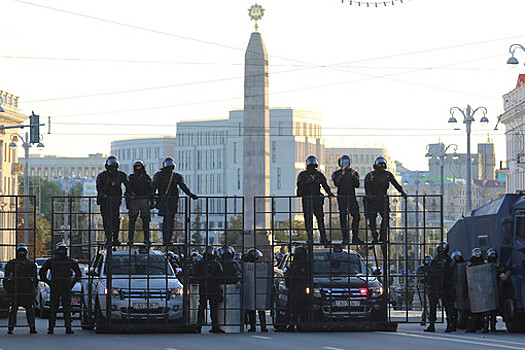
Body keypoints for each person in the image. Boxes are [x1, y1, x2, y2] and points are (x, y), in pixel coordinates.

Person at [152, 157, 198, 246]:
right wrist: (152, 198)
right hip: (164, 201)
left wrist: (190, 194)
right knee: (167, 221)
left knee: (170, 221)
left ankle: (168, 240)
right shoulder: (160, 175)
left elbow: (182, 186)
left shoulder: (175, 176)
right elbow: (154, 187)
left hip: (172, 201)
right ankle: (166, 240)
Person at [40, 242, 82, 335]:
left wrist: (71, 284)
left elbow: (78, 274)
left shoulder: (68, 261)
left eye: (63, 250)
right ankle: (53, 328)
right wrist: (49, 282)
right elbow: (42, 272)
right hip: (58, 286)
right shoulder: (53, 261)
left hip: (63, 286)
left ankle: (64, 328)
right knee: (56, 309)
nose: (62, 252)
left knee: (64, 309)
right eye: (61, 250)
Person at [364, 156, 407, 243]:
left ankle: (383, 236)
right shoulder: (370, 175)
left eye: (383, 164)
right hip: (372, 200)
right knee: (372, 218)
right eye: (380, 164)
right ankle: (374, 235)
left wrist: (402, 192)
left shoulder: (387, 175)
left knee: (386, 217)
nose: (381, 166)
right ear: (376, 165)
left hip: (382, 199)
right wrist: (369, 196)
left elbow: (396, 184)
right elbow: (367, 187)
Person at [296, 155, 334, 245]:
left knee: (319, 218)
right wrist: (308, 181)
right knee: (309, 219)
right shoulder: (303, 174)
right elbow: (299, 185)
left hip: (316, 199)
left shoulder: (319, 174)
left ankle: (323, 238)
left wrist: (329, 192)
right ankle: (311, 238)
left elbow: (325, 185)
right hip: (307, 199)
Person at [96, 155, 131, 245]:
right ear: (107, 165)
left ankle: (115, 239)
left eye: (114, 165)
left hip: (116, 201)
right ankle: (108, 238)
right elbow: (99, 186)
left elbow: (128, 184)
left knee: (116, 220)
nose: (113, 167)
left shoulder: (120, 175)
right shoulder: (102, 175)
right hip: (105, 202)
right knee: (106, 220)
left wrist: (129, 193)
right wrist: (101, 193)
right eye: (111, 165)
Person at [3, 244, 38, 334]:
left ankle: (32, 327)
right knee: (14, 309)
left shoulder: (30, 264)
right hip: (16, 289)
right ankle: (10, 328)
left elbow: (35, 278)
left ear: (25, 252)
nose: (21, 253)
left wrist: (34, 288)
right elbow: (6, 278)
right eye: (20, 251)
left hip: (26, 289)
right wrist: (7, 288)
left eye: (23, 251)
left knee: (29, 310)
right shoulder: (11, 263)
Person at [424, 242, 455, 333]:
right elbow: (429, 272)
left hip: (446, 286)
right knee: (432, 306)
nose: (441, 250)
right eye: (440, 249)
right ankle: (431, 324)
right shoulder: (434, 260)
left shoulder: (449, 260)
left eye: (443, 249)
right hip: (435, 286)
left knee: (448, 307)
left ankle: (450, 324)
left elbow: (451, 273)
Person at [331, 154, 362, 244]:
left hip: (352, 197)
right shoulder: (336, 173)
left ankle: (355, 237)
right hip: (342, 197)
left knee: (356, 216)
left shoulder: (353, 172)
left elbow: (357, 185)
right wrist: (342, 174)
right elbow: (336, 183)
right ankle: (345, 238)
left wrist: (353, 176)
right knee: (343, 217)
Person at [194, 246, 224, 333]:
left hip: (211, 286)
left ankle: (207, 326)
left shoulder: (213, 263)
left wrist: (212, 278)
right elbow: (196, 274)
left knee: (208, 307)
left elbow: (220, 275)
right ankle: (202, 325)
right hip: (206, 286)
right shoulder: (203, 263)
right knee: (206, 307)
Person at [127, 159, 153, 245]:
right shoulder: (131, 178)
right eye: (137, 167)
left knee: (146, 220)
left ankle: (146, 239)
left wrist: (152, 201)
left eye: (140, 167)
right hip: (134, 200)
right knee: (132, 220)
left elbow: (151, 190)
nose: (138, 168)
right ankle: (130, 239)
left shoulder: (147, 178)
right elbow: (128, 190)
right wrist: (129, 200)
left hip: (144, 200)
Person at [285, 246, 310, 332]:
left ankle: (297, 324)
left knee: (297, 308)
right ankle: (295, 324)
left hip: (300, 289)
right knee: (295, 308)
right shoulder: (299, 264)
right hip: (297, 289)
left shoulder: (304, 265)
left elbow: (290, 276)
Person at [243, 248, 267, 332]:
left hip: (258, 288)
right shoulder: (247, 266)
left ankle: (260, 326)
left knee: (259, 308)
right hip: (253, 289)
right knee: (253, 309)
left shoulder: (261, 266)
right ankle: (258, 326)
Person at [465, 247, 489, 333]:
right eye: (476, 254)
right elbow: (467, 276)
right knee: (472, 310)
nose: (477, 256)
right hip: (473, 289)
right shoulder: (470, 265)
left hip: (483, 289)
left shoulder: (484, 264)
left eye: (479, 254)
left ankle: (485, 326)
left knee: (485, 310)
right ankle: (472, 326)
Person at [486, 248, 509, 332]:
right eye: (491, 255)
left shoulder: (498, 265)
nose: (493, 256)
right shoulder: (485, 264)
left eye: (494, 255)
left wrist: (503, 275)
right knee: (486, 309)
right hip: (486, 289)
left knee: (494, 309)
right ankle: (485, 327)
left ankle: (492, 327)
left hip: (496, 288)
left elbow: (504, 271)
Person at [451, 250, 468, 330]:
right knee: (453, 309)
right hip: (453, 288)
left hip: (463, 288)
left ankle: (463, 323)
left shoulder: (464, 265)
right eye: (456, 257)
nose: (457, 258)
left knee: (463, 308)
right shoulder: (450, 265)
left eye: (458, 257)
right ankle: (453, 324)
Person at [416, 255, 432, 326]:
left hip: (430, 287)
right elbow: (420, 277)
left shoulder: (432, 268)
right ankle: (425, 318)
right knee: (424, 303)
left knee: (430, 303)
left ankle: (429, 317)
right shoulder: (420, 269)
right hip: (422, 287)